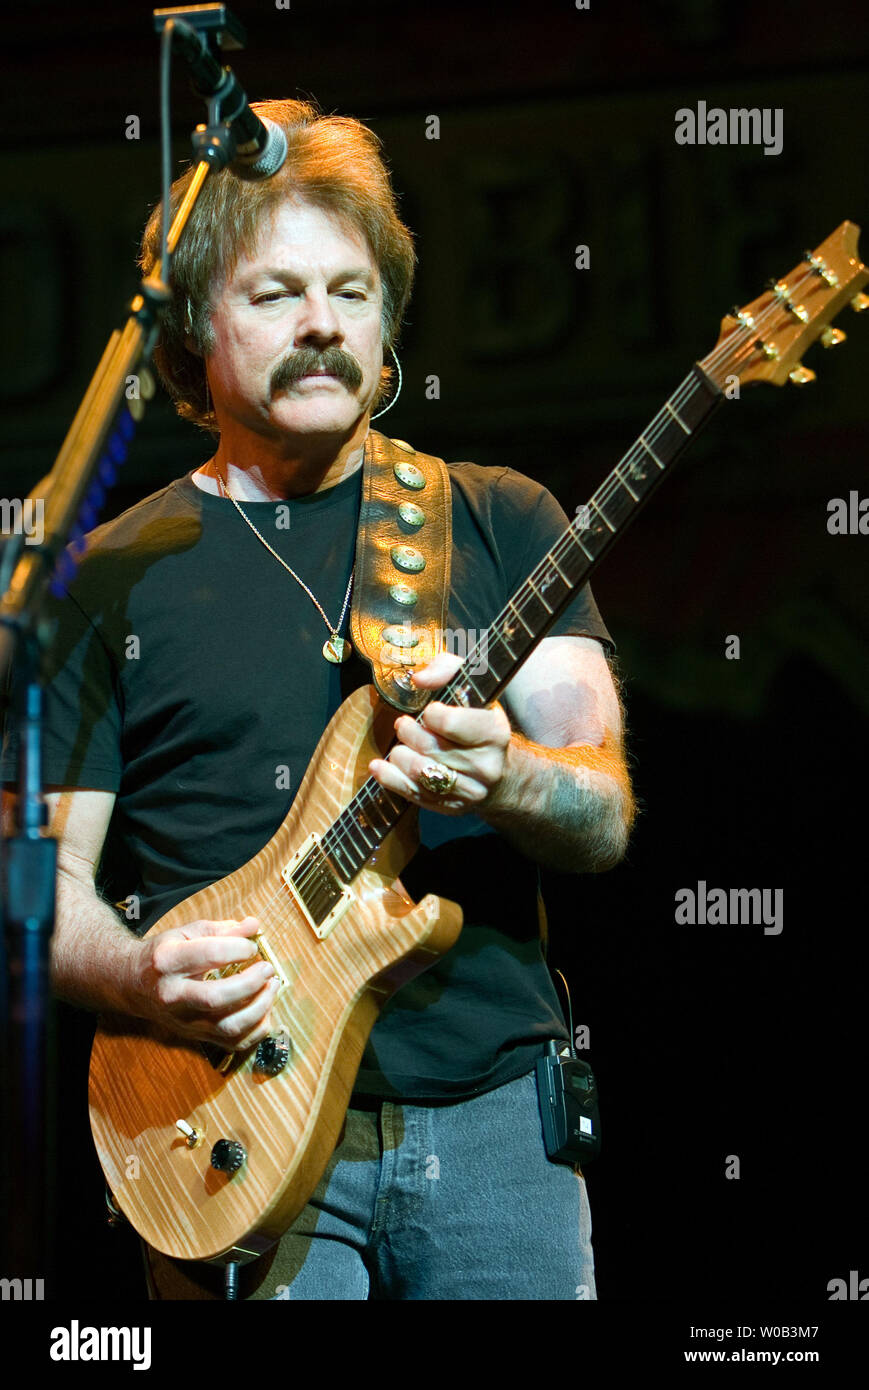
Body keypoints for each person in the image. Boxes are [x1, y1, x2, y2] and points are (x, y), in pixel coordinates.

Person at [1, 98, 635, 1300]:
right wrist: (137, 974)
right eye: (275, 293)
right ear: (191, 329)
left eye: (351, 292)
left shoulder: (497, 517)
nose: (321, 326)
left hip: (496, 1121)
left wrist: (505, 774)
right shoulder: (115, 573)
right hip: (224, 1122)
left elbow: (600, 815)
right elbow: (35, 884)